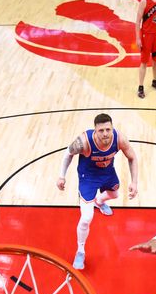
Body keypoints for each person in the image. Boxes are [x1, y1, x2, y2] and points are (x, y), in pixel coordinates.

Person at [56, 113, 139, 270]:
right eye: (101, 130)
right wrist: (62, 176)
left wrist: (134, 182)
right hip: (88, 177)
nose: (105, 133)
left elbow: (132, 158)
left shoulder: (119, 138)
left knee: (115, 194)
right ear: (95, 130)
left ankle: (99, 201)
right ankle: (80, 251)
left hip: (107, 173)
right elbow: (68, 154)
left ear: (112, 128)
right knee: (87, 218)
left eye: (108, 129)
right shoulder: (83, 142)